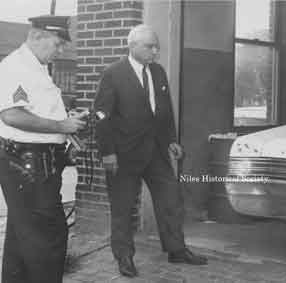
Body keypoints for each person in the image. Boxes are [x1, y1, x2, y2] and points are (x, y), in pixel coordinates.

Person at [94, 24, 207, 277]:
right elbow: (101, 116)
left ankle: (177, 250)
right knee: (123, 208)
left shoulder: (158, 72)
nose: (155, 51)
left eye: (156, 46)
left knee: (170, 199)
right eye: (149, 46)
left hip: (156, 151)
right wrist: (107, 153)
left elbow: (164, 112)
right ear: (131, 45)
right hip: (123, 154)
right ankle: (124, 257)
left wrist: (171, 141)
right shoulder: (113, 73)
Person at [0, 15, 87, 283]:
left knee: (22, 236)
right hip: (27, 164)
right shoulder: (16, 66)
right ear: (37, 37)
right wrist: (62, 125)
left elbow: (37, 111)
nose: (61, 50)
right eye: (57, 44)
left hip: (37, 162)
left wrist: (65, 130)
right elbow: (12, 115)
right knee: (48, 237)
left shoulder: (36, 67)